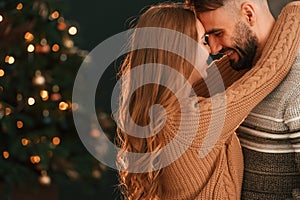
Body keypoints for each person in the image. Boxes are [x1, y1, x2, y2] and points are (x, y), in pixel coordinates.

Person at [116, 2, 300, 199]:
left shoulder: (168, 103)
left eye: (216, 35)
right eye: (204, 40)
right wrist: (295, 11)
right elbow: (268, 72)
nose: (212, 49)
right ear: (179, 54)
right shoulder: (187, 121)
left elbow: (244, 67)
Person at [185, 0, 300, 199]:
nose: (213, 49)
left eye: (218, 33)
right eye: (207, 37)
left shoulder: (296, 84)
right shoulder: (234, 71)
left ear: (248, 14)